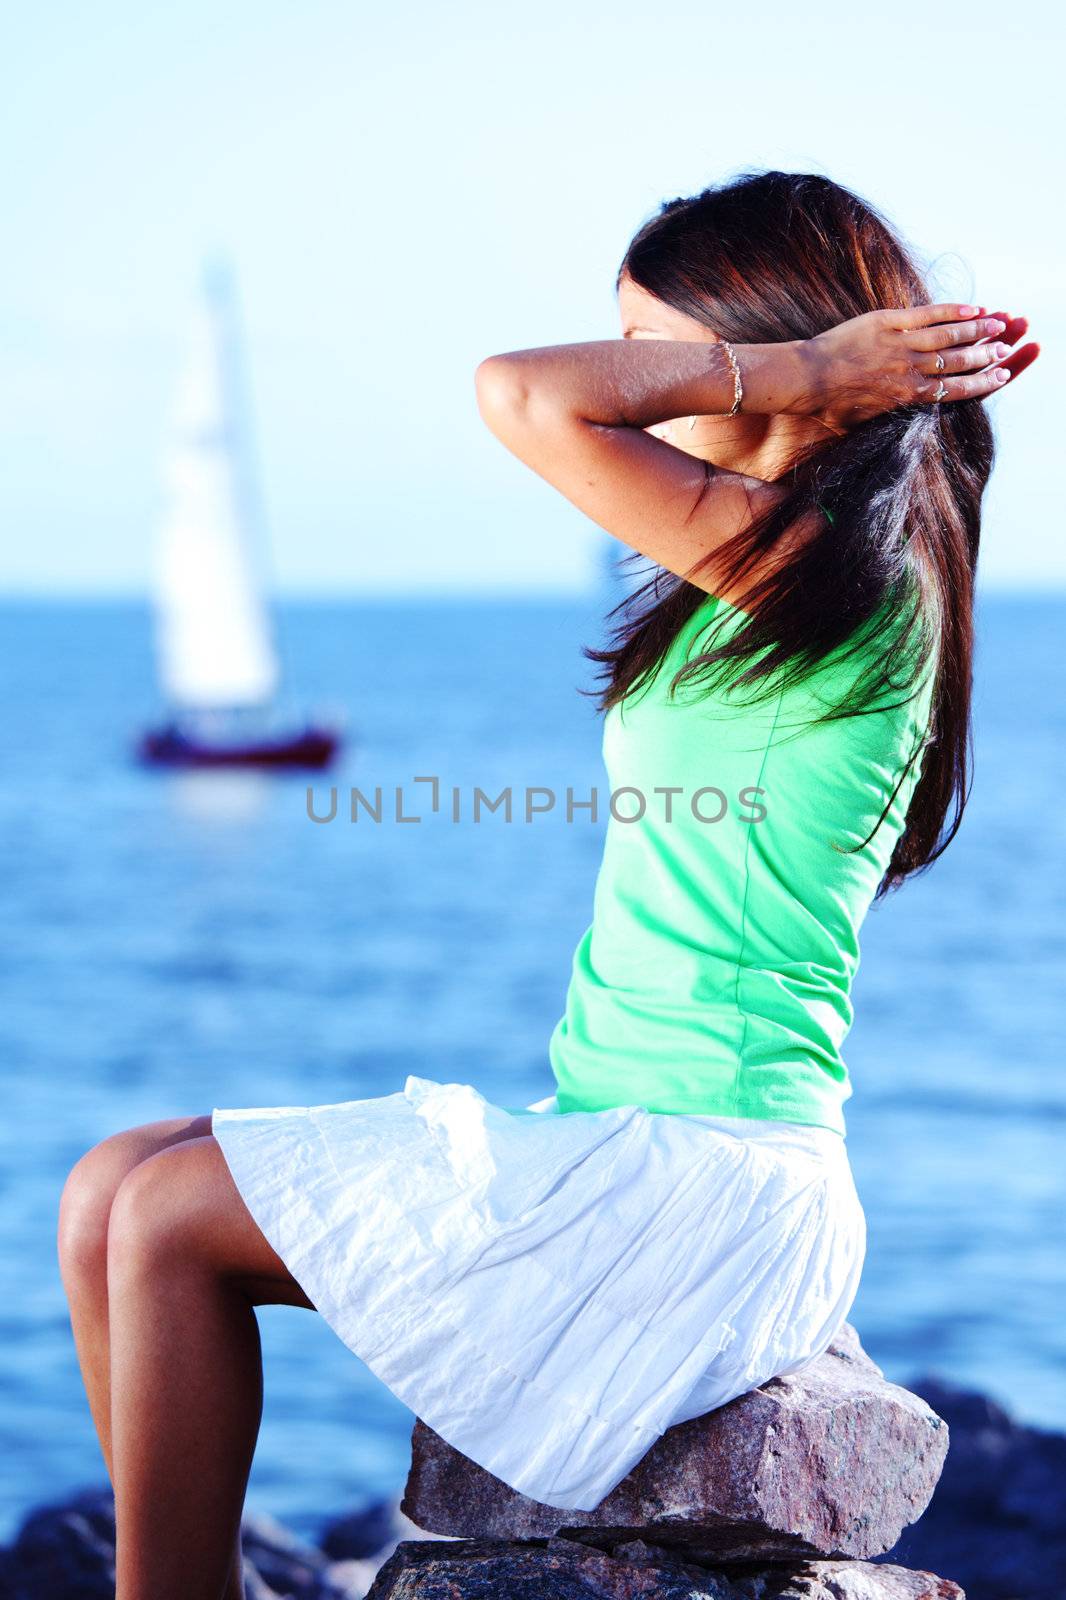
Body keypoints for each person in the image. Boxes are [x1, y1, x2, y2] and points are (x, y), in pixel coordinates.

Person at [56, 171, 1039, 1600]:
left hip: (713, 1180)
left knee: (162, 1221)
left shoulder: (839, 573)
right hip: (629, 1137)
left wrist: (803, 373)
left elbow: (519, 396)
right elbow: (549, 405)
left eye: (660, 354)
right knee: (108, 1186)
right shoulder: (762, 567)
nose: (643, 389)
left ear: (770, 347)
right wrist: (802, 377)